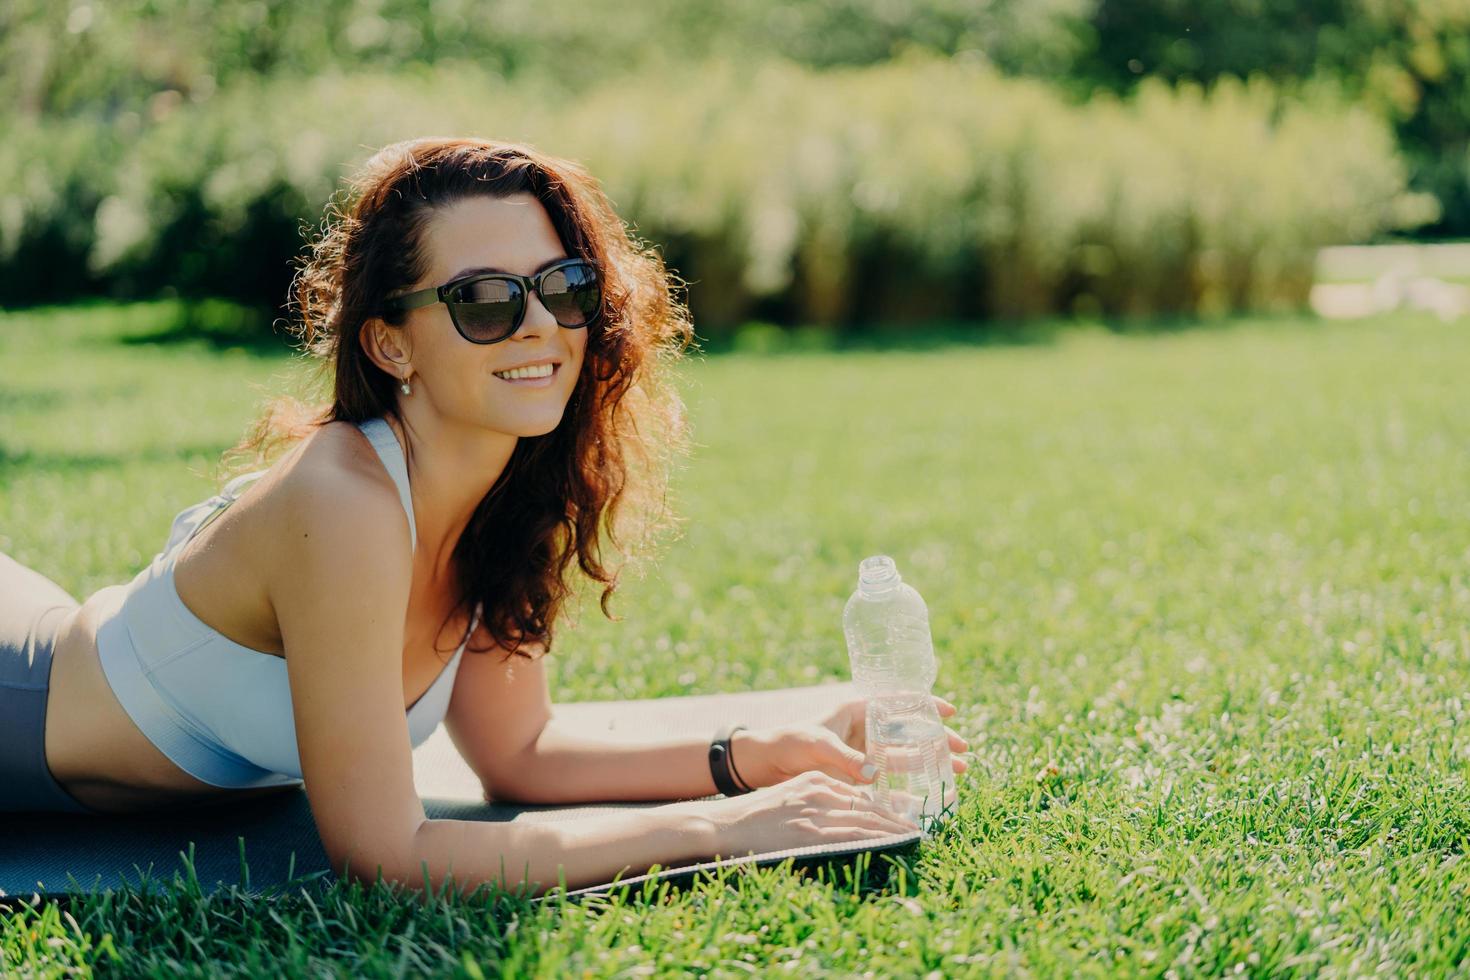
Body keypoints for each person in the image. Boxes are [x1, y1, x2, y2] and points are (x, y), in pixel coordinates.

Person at [0, 137, 967, 897]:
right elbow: (388, 853)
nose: (541, 324)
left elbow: (518, 755)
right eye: (484, 302)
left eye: (563, 288)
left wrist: (755, 754)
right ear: (389, 343)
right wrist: (726, 829)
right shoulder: (343, 501)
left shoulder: (507, 490)